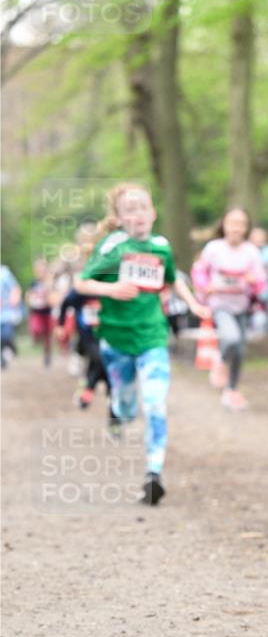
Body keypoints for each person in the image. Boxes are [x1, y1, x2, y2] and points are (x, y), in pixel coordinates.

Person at [76, 183, 209, 505]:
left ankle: (153, 473)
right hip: (116, 340)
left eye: (143, 208)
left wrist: (193, 304)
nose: (138, 214)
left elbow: (172, 279)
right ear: (120, 218)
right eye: (130, 210)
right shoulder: (112, 247)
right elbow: (82, 283)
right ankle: (118, 409)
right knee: (126, 407)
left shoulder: (160, 246)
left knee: (155, 404)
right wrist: (112, 289)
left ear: (153, 213)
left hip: (152, 337)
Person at [193, 208, 267, 410]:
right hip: (220, 305)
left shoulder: (251, 251)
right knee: (232, 338)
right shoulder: (213, 248)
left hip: (242, 306)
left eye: (241, 223)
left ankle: (231, 390)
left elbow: (261, 281)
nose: (236, 228)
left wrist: (254, 282)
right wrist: (204, 287)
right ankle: (219, 359)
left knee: (241, 351)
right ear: (224, 225)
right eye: (232, 223)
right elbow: (199, 271)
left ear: (246, 228)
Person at [55, 288, 109, 408]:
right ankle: (103, 392)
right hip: (87, 338)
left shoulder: (111, 286)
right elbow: (65, 303)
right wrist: (60, 324)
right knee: (100, 359)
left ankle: (87, 389)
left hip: (108, 336)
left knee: (102, 363)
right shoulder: (82, 290)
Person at [26, 258, 54, 367]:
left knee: (47, 335)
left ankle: (47, 354)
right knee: (36, 328)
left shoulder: (49, 281)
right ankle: (35, 339)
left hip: (48, 311)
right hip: (36, 311)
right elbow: (28, 295)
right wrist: (30, 301)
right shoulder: (33, 282)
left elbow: (53, 294)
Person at [0, 265, 22, 369]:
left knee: (6, 335)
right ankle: (2, 360)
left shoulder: (4, 273)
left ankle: (11, 347)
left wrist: (14, 300)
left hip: (6, 312)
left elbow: (15, 288)